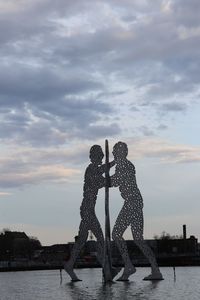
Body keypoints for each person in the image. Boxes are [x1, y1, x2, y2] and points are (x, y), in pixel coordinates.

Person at [110, 141, 163, 281]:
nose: (113, 154)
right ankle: (152, 270)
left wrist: (101, 181)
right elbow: (115, 180)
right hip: (134, 202)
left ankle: (129, 266)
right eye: (113, 152)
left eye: (115, 152)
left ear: (122, 153)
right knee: (137, 238)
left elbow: (116, 181)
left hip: (132, 202)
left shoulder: (124, 165)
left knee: (116, 233)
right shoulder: (124, 164)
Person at [64, 145, 117, 281]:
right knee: (100, 238)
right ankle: (106, 268)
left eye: (102, 157)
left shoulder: (94, 168)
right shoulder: (91, 169)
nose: (101, 158)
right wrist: (114, 178)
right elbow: (102, 181)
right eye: (99, 156)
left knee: (82, 240)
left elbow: (102, 170)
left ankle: (70, 266)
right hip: (87, 209)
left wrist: (114, 162)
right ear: (94, 157)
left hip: (87, 209)